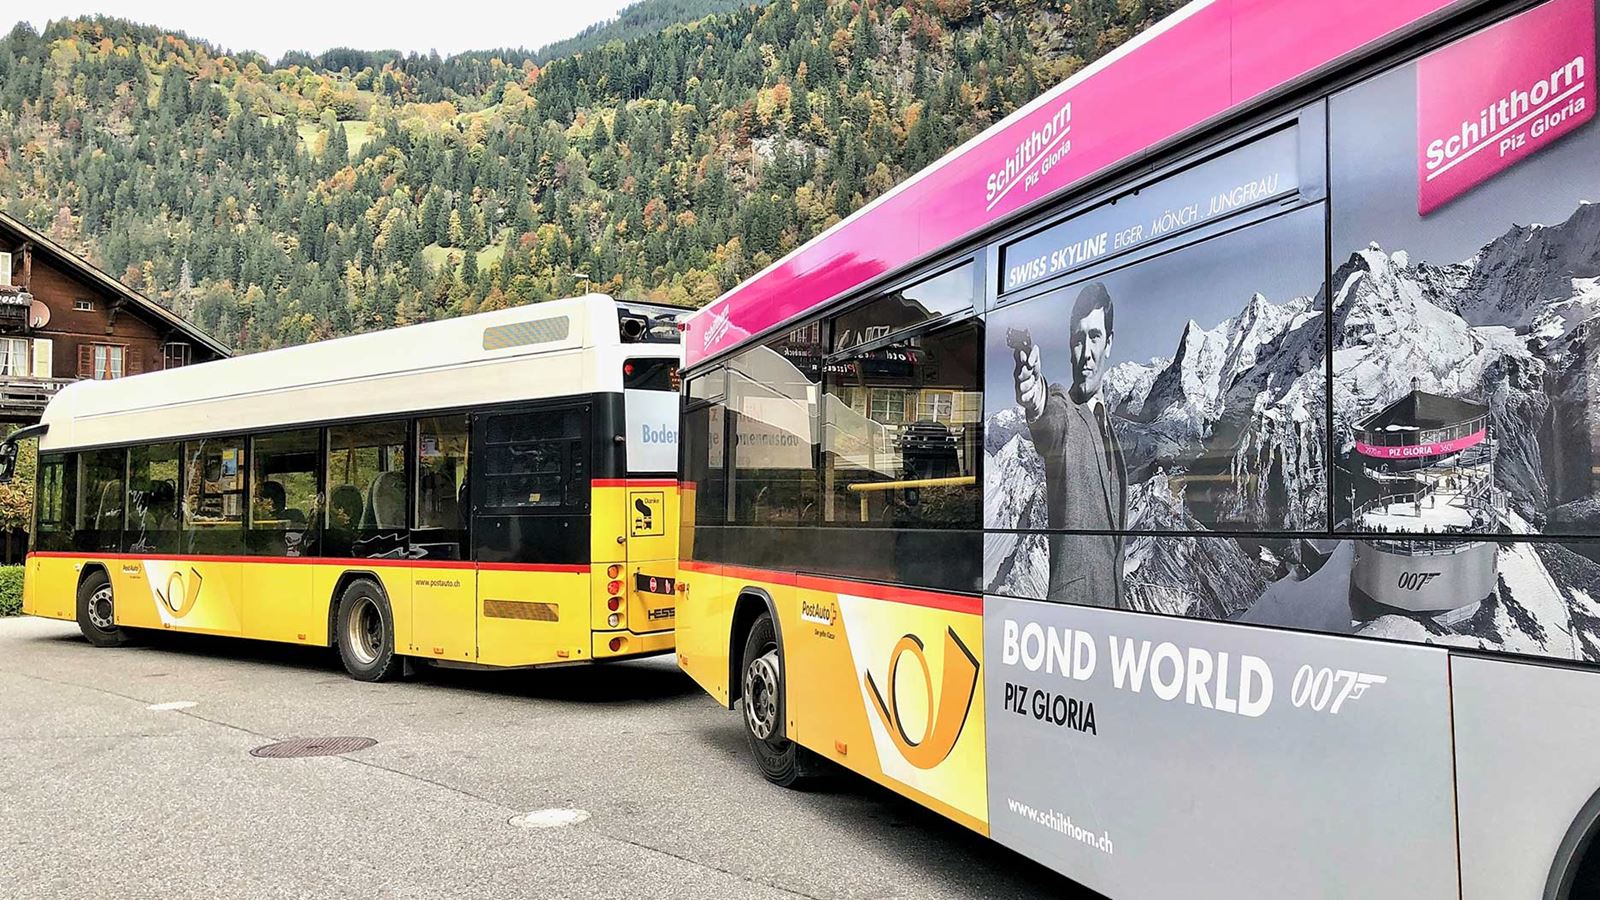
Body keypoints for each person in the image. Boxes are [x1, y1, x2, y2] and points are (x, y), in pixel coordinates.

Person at [1013, 281, 1129, 608]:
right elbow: (1048, 418)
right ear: (1069, 347)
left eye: (1094, 336)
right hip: (1072, 616)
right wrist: (1034, 396)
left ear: (1109, 343)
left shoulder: (1109, 426)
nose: (1086, 353)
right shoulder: (1064, 408)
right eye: (1078, 340)